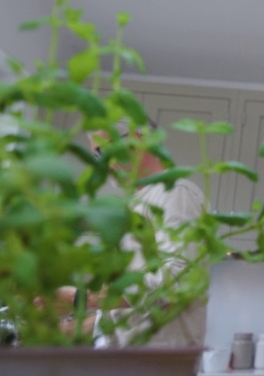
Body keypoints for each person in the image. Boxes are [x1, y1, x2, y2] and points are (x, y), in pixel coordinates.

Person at [67, 120, 209, 349]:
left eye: (104, 150)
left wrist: (82, 299)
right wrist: (79, 326)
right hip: (131, 362)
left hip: (158, 363)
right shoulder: (134, 204)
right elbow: (133, 309)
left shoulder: (174, 192)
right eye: (96, 156)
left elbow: (178, 279)